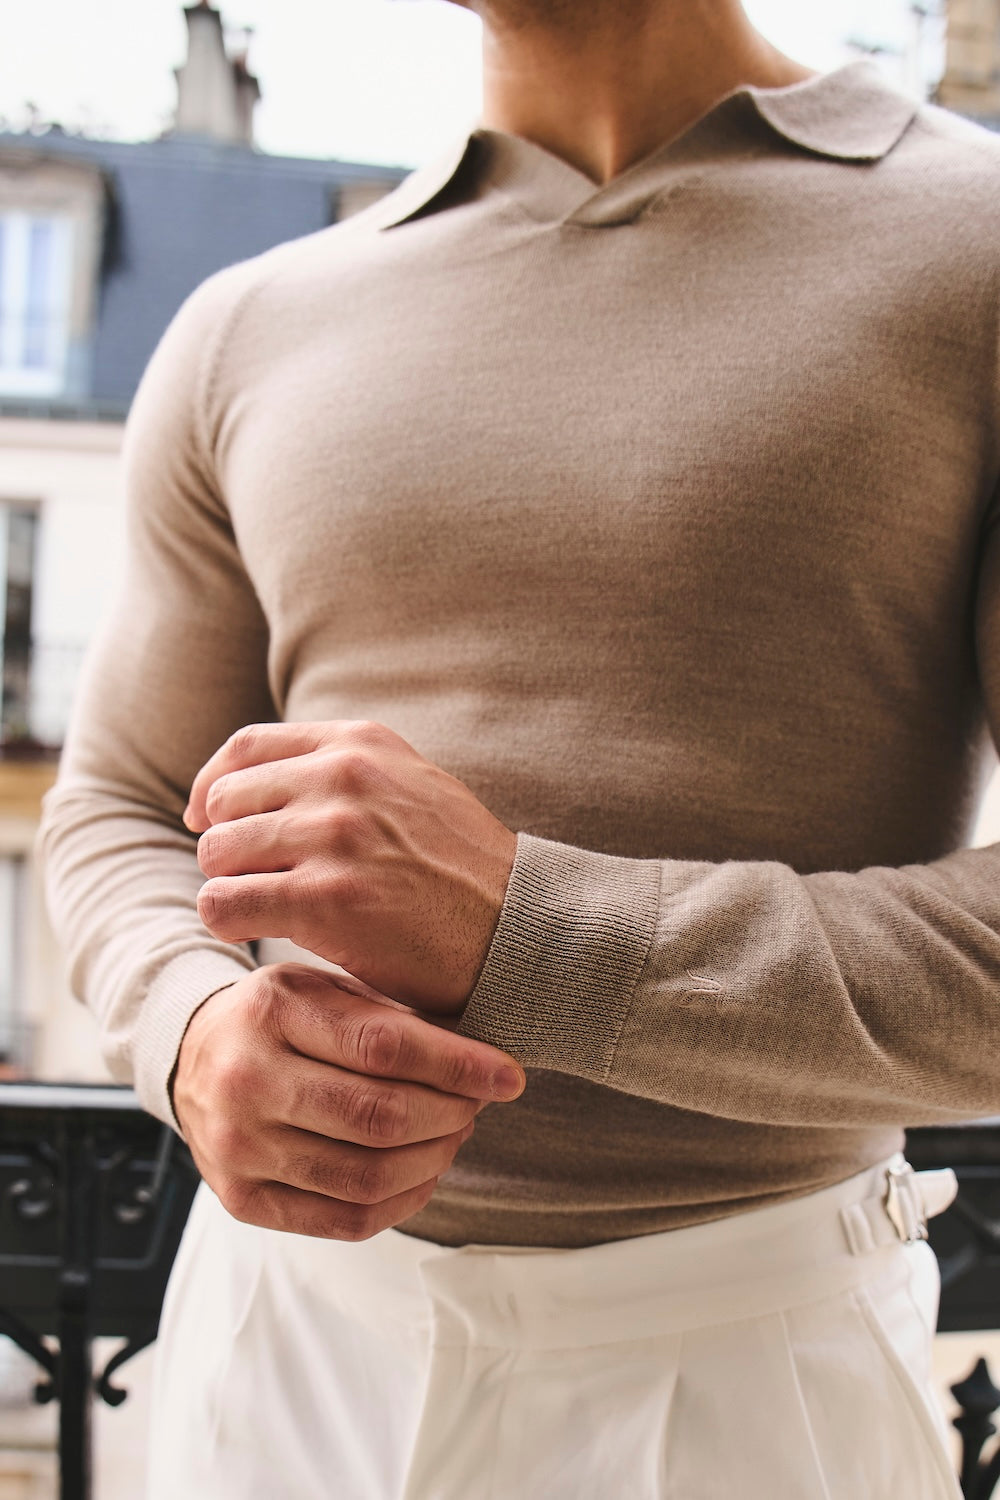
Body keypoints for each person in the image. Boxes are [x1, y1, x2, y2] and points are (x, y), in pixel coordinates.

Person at [39, 0, 1000, 1492]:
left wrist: (531, 933)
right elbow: (112, 803)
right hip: (277, 1346)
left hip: (743, 1369)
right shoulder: (246, 323)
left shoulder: (978, 245)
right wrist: (186, 1030)